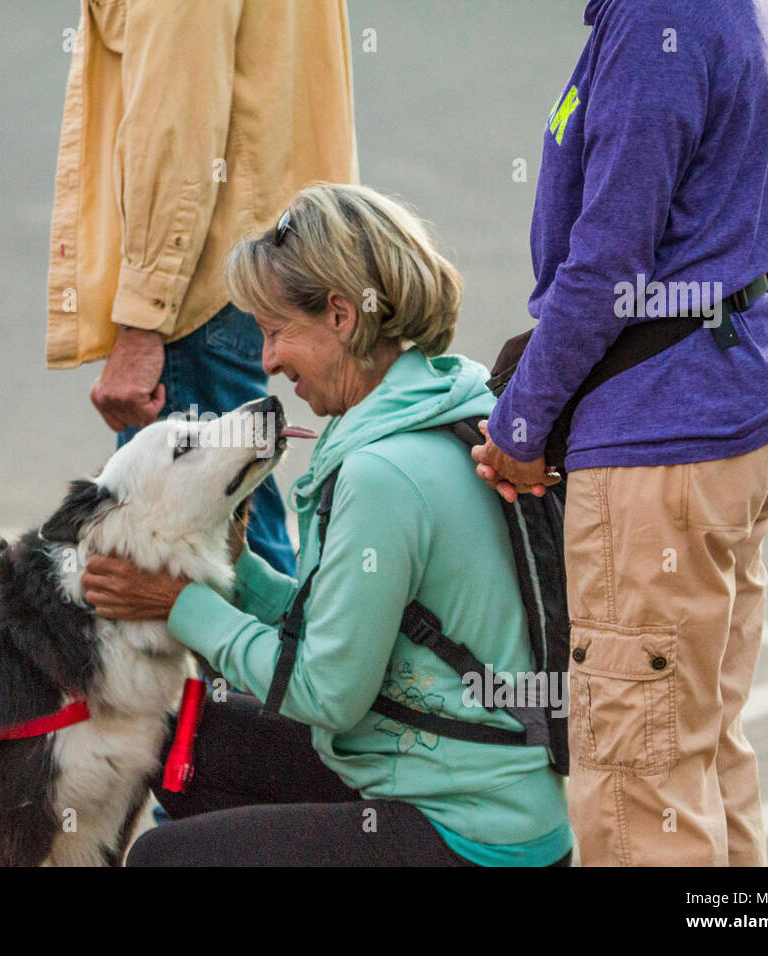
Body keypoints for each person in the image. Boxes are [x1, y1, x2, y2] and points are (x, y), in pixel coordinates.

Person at [82, 184, 574, 866]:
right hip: (487, 792)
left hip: (472, 833)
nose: (267, 362)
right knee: (195, 737)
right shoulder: (441, 404)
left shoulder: (382, 475)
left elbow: (328, 692)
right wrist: (241, 575)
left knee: (162, 860)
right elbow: (356, 632)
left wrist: (180, 605)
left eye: (276, 331)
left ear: (342, 316)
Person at [471, 0, 768, 865]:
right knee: (698, 747)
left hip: (669, 436)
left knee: (640, 789)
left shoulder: (655, 22)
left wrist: (521, 423)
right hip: (739, 405)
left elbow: (608, 263)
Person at [45, 0, 358, 575]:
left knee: (198, 558)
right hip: (256, 252)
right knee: (240, 533)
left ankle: (292, 665)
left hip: (200, 283)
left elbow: (177, 122)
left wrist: (146, 317)